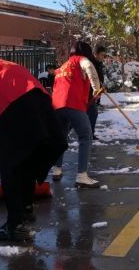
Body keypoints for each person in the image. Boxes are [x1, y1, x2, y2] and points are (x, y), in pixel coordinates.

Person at [0, 50, 67, 242]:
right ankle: (26, 208)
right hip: (40, 103)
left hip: (13, 105)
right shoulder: (7, 67)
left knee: (9, 164)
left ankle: (14, 225)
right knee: (25, 159)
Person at [51, 41, 103, 188]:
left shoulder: (62, 66)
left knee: (60, 139)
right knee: (86, 136)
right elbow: (90, 69)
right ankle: (82, 175)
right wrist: (96, 89)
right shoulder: (82, 60)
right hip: (73, 104)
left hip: (56, 106)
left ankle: (56, 170)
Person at [87, 45, 106, 140]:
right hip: (88, 93)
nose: (103, 57)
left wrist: (101, 85)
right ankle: (90, 135)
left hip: (93, 93)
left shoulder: (98, 63)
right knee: (91, 113)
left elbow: (98, 77)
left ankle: (90, 134)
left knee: (91, 114)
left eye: (104, 55)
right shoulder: (90, 64)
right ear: (95, 54)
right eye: (102, 55)